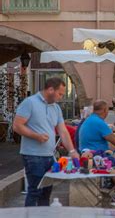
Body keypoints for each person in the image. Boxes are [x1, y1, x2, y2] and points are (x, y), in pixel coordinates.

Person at [13, 77, 79, 207]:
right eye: (60, 93)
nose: (61, 97)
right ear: (50, 90)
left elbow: (63, 131)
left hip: (50, 156)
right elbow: (17, 126)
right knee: (35, 192)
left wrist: (72, 151)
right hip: (33, 156)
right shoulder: (30, 103)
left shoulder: (56, 108)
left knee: (46, 193)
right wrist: (36, 136)